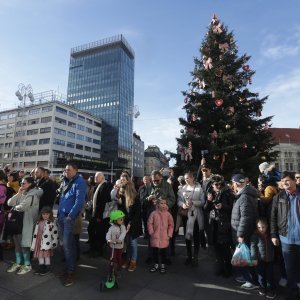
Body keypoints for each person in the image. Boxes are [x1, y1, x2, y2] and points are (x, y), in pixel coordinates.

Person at [270, 171, 300, 300]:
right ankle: (293, 293)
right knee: (289, 268)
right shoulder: (279, 197)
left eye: (287, 180)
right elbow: (273, 217)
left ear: (294, 181)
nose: (285, 183)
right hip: (286, 239)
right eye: (282, 181)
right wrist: (273, 234)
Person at [57, 163, 86, 287]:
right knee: (68, 244)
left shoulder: (79, 182)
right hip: (62, 216)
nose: (66, 171)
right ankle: (71, 267)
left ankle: (70, 272)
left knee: (67, 245)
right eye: (65, 169)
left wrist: (70, 216)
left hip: (69, 217)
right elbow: (62, 198)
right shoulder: (65, 181)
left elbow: (79, 201)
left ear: (76, 170)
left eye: (68, 170)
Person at [6, 176, 43, 275]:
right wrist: (18, 193)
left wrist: (15, 207)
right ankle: (18, 263)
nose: (21, 185)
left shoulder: (33, 195)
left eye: (23, 183)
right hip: (17, 223)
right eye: (21, 183)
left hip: (26, 223)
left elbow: (23, 207)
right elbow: (9, 202)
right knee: (17, 244)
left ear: (30, 184)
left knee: (24, 245)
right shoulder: (23, 192)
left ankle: (27, 265)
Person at [231, 173, 258, 289]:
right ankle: (247, 277)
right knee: (245, 256)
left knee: (246, 257)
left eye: (233, 183)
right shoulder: (243, 194)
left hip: (243, 233)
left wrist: (241, 234)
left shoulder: (244, 197)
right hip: (243, 231)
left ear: (237, 184)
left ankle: (251, 280)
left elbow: (246, 217)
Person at [204, 175, 234, 277]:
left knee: (225, 249)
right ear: (212, 185)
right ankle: (220, 267)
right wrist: (208, 201)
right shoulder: (211, 193)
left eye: (220, 184)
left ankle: (228, 270)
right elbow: (206, 209)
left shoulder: (228, 193)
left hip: (224, 224)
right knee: (216, 248)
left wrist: (223, 206)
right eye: (216, 184)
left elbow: (232, 208)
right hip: (214, 224)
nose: (219, 186)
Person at [177, 171, 205, 266]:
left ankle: (195, 257)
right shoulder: (182, 189)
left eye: (188, 178)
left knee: (196, 237)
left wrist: (193, 203)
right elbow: (179, 201)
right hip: (186, 215)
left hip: (196, 215)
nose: (186, 180)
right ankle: (189, 256)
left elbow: (202, 202)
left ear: (193, 178)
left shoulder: (199, 188)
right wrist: (183, 205)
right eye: (185, 178)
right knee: (187, 236)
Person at [118, 183, 142, 272]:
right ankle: (127, 260)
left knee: (133, 243)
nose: (122, 193)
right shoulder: (123, 198)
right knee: (127, 242)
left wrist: (130, 223)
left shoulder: (136, 199)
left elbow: (137, 214)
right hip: (126, 223)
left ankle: (133, 261)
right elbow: (123, 211)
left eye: (123, 192)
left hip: (134, 224)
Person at [87, 172, 112, 257]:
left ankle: (99, 250)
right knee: (91, 230)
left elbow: (103, 203)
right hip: (95, 214)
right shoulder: (97, 186)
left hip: (100, 216)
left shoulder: (104, 187)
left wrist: (99, 216)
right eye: (95, 176)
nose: (95, 178)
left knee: (100, 233)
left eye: (97, 177)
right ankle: (93, 248)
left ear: (102, 178)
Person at [250, 218, 276, 299]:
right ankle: (262, 287)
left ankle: (270, 289)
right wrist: (254, 259)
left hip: (270, 260)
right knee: (261, 275)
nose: (261, 229)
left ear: (267, 226)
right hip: (260, 260)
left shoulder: (271, 235)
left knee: (269, 275)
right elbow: (253, 248)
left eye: (263, 227)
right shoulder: (255, 236)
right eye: (259, 227)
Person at [147, 198, 174, 274]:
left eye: (164, 203)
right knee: (155, 252)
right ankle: (156, 264)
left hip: (164, 237)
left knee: (163, 253)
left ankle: (162, 265)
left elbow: (171, 225)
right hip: (155, 236)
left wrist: (169, 234)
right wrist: (151, 232)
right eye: (161, 203)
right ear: (158, 204)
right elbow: (149, 223)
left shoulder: (168, 214)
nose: (163, 205)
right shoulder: (153, 213)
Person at [31, 206, 58, 276]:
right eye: (43, 214)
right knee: (40, 256)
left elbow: (55, 234)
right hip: (39, 243)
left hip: (47, 244)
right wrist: (33, 245)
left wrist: (54, 244)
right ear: (41, 214)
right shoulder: (38, 222)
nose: (45, 215)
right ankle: (41, 267)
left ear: (50, 214)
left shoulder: (52, 223)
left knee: (46, 256)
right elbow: (35, 234)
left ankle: (47, 268)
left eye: (47, 214)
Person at [106, 210, 127, 276]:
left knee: (119, 258)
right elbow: (108, 234)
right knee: (112, 258)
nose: (122, 220)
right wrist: (108, 239)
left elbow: (124, 233)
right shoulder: (111, 228)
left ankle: (119, 270)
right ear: (115, 220)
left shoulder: (123, 227)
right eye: (120, 219)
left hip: (119, 246)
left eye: (122, 219)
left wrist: (120, 239)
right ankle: (111, 270)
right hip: (113, 246)